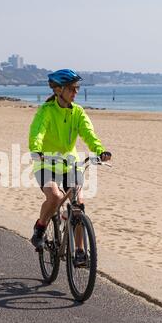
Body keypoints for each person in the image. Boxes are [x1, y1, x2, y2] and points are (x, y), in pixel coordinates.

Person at [29, 69, 111, 265]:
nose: (76, 92)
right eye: (72, 88)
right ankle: (40, 228)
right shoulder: (46, 111)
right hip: (46, 163)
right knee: (55, 196)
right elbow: (37, 132)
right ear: (59, 90)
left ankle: (80, 252)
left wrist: (99, 150)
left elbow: (88, 134)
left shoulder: (78, 112)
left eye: (77, 88)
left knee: (78, 205)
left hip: (71, 164)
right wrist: (36, 149)